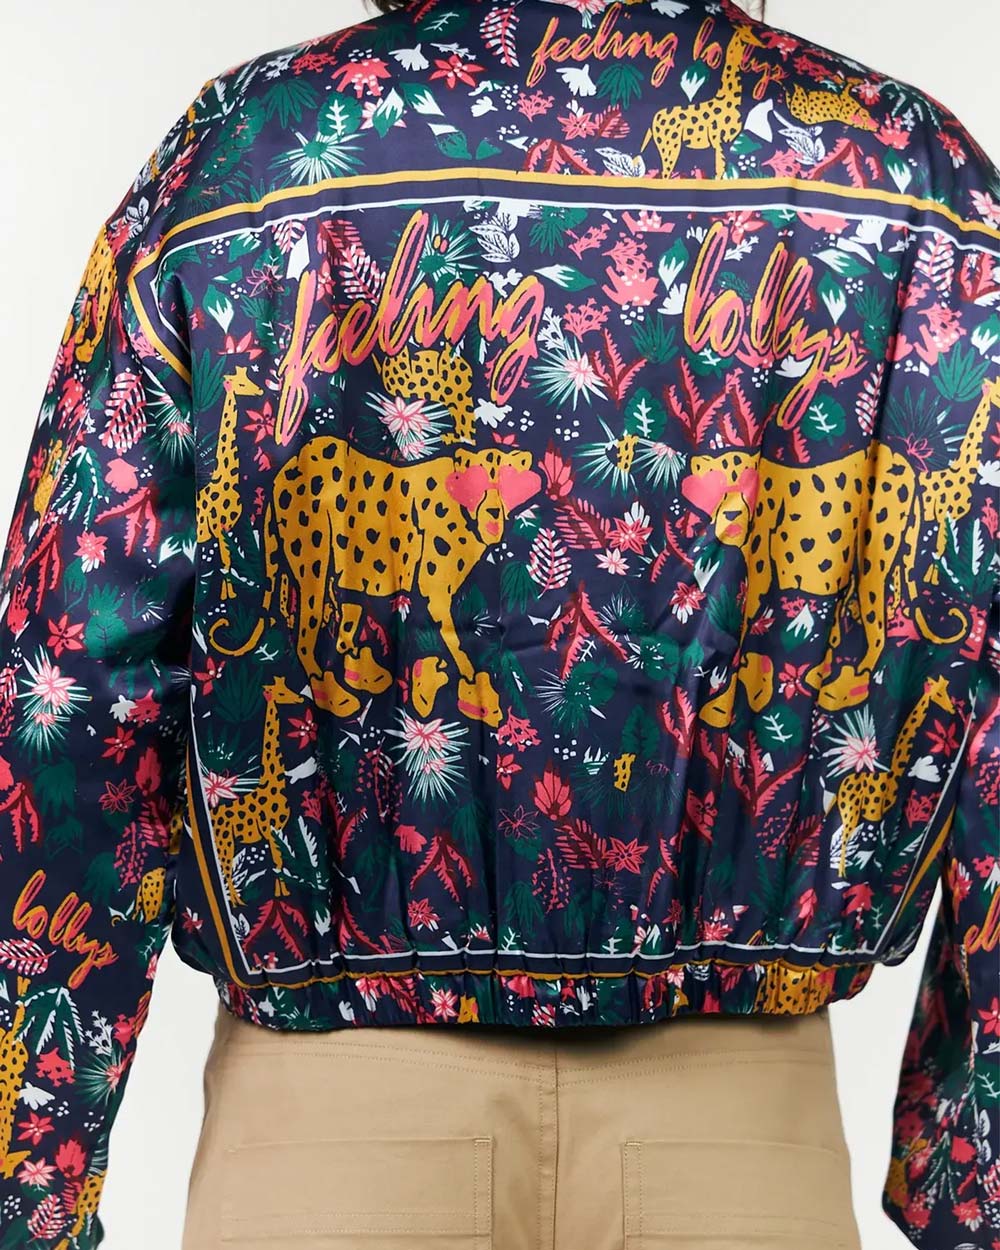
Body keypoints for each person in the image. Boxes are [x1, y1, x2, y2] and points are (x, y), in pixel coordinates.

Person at [0, 0, 996, 1247]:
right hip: (742, 1130)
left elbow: (70, 680)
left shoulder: (249, 157)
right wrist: (967, 1159)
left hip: (329, 1140)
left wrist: (31, 1170)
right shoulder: (910, 181)